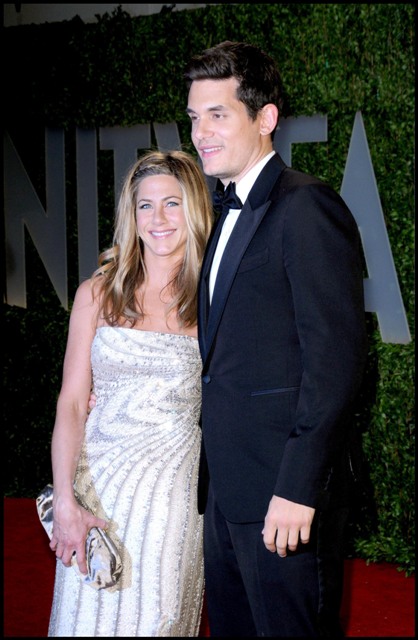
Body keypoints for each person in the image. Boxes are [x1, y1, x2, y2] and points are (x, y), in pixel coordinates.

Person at [183, 41, 369, 637]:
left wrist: (297, 489)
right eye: (195, 117)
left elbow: (334, 364)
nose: (201, 133)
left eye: (218, 114)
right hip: (226, 491)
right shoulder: (222, 213)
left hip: (282, 498)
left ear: (265, 118)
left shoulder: (306, 205)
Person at [46, 150, 213, 637]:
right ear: (131, 215)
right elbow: (71, 404)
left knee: (158, 620)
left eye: (172, 203)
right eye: (145, 205)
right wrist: (64, 501)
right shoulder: (97, 295)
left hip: (172, 498)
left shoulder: (214, 301)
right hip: (98, 488)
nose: (158, 219)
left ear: (194, 210)